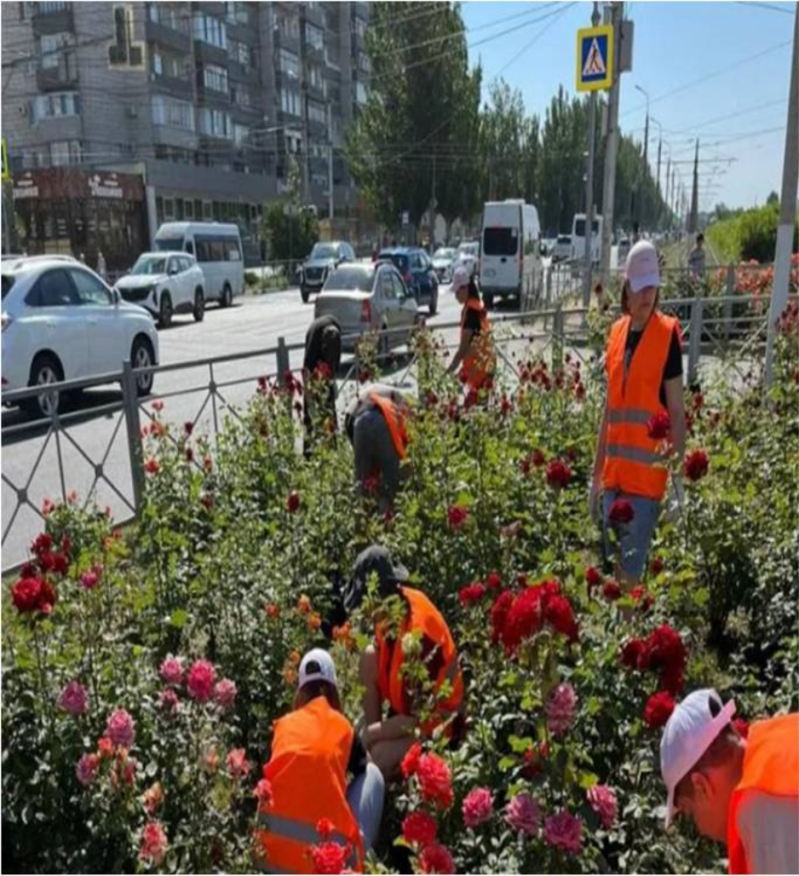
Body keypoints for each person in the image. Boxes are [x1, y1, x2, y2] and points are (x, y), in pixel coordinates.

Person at [589, 240, 686, 592]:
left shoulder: (666, 335)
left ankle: (628, 629)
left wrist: (677, 482)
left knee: (628, 579)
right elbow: (610, 412)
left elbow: (676, 412)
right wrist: (595, 477)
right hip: (614, 480)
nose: (647, 295)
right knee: (616, 576)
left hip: (645, 485)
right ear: (626, 287)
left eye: (652, 286)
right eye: (640, 286)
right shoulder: (616, 334)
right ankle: (625, 628)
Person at [256, 649, 385, 874]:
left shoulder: (283, 727)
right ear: (332, 689)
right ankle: (358, 864)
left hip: (270, 864)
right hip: (327, 866)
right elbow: (365, 766)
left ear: (300, 691)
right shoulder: (343, 728)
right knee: (373, 775)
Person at [343, 545, 465, 780]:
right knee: (369, 655)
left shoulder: (420, 638)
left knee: (378, 759)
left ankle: (377, 761)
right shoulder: (391, 608)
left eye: (366, 605)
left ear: (378, 598)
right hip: (407, 712)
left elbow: (416, 719)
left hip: (438, 726)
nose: (364, 614)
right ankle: (372, 748)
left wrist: (371, 733)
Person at [660, 688, 799, 874]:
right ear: (733, 730)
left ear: (702, 786)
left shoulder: (761, 814)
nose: (701, 830)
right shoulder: (782, 737)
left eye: (690, 812)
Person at [344, 384, 411, 512]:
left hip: (356, 421)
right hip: (383, 419)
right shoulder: (406, 405)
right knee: (395, 485)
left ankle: (365, 518)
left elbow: (350, 430)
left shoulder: (380, 395)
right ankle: (391, 516)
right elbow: (408, 446)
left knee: (363, 486)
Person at [447, 266, 495, 393]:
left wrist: (451, 369)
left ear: (465, 288)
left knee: (476, 404)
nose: (456, 296)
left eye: (457, 291)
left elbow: (463, 348)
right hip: (484, 367)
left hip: (478, 372)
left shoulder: (471, 312)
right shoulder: (476, 306)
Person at [302, 316, 342, 457]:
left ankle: (332, 451)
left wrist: (332, 380)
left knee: (330, 413)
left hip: (326, 373)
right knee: (310, 419)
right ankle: (308, 457)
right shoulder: (314, 344)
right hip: (313, 373)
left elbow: (334, 362)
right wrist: (309, 401)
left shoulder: (337, 330)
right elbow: (306, 371)